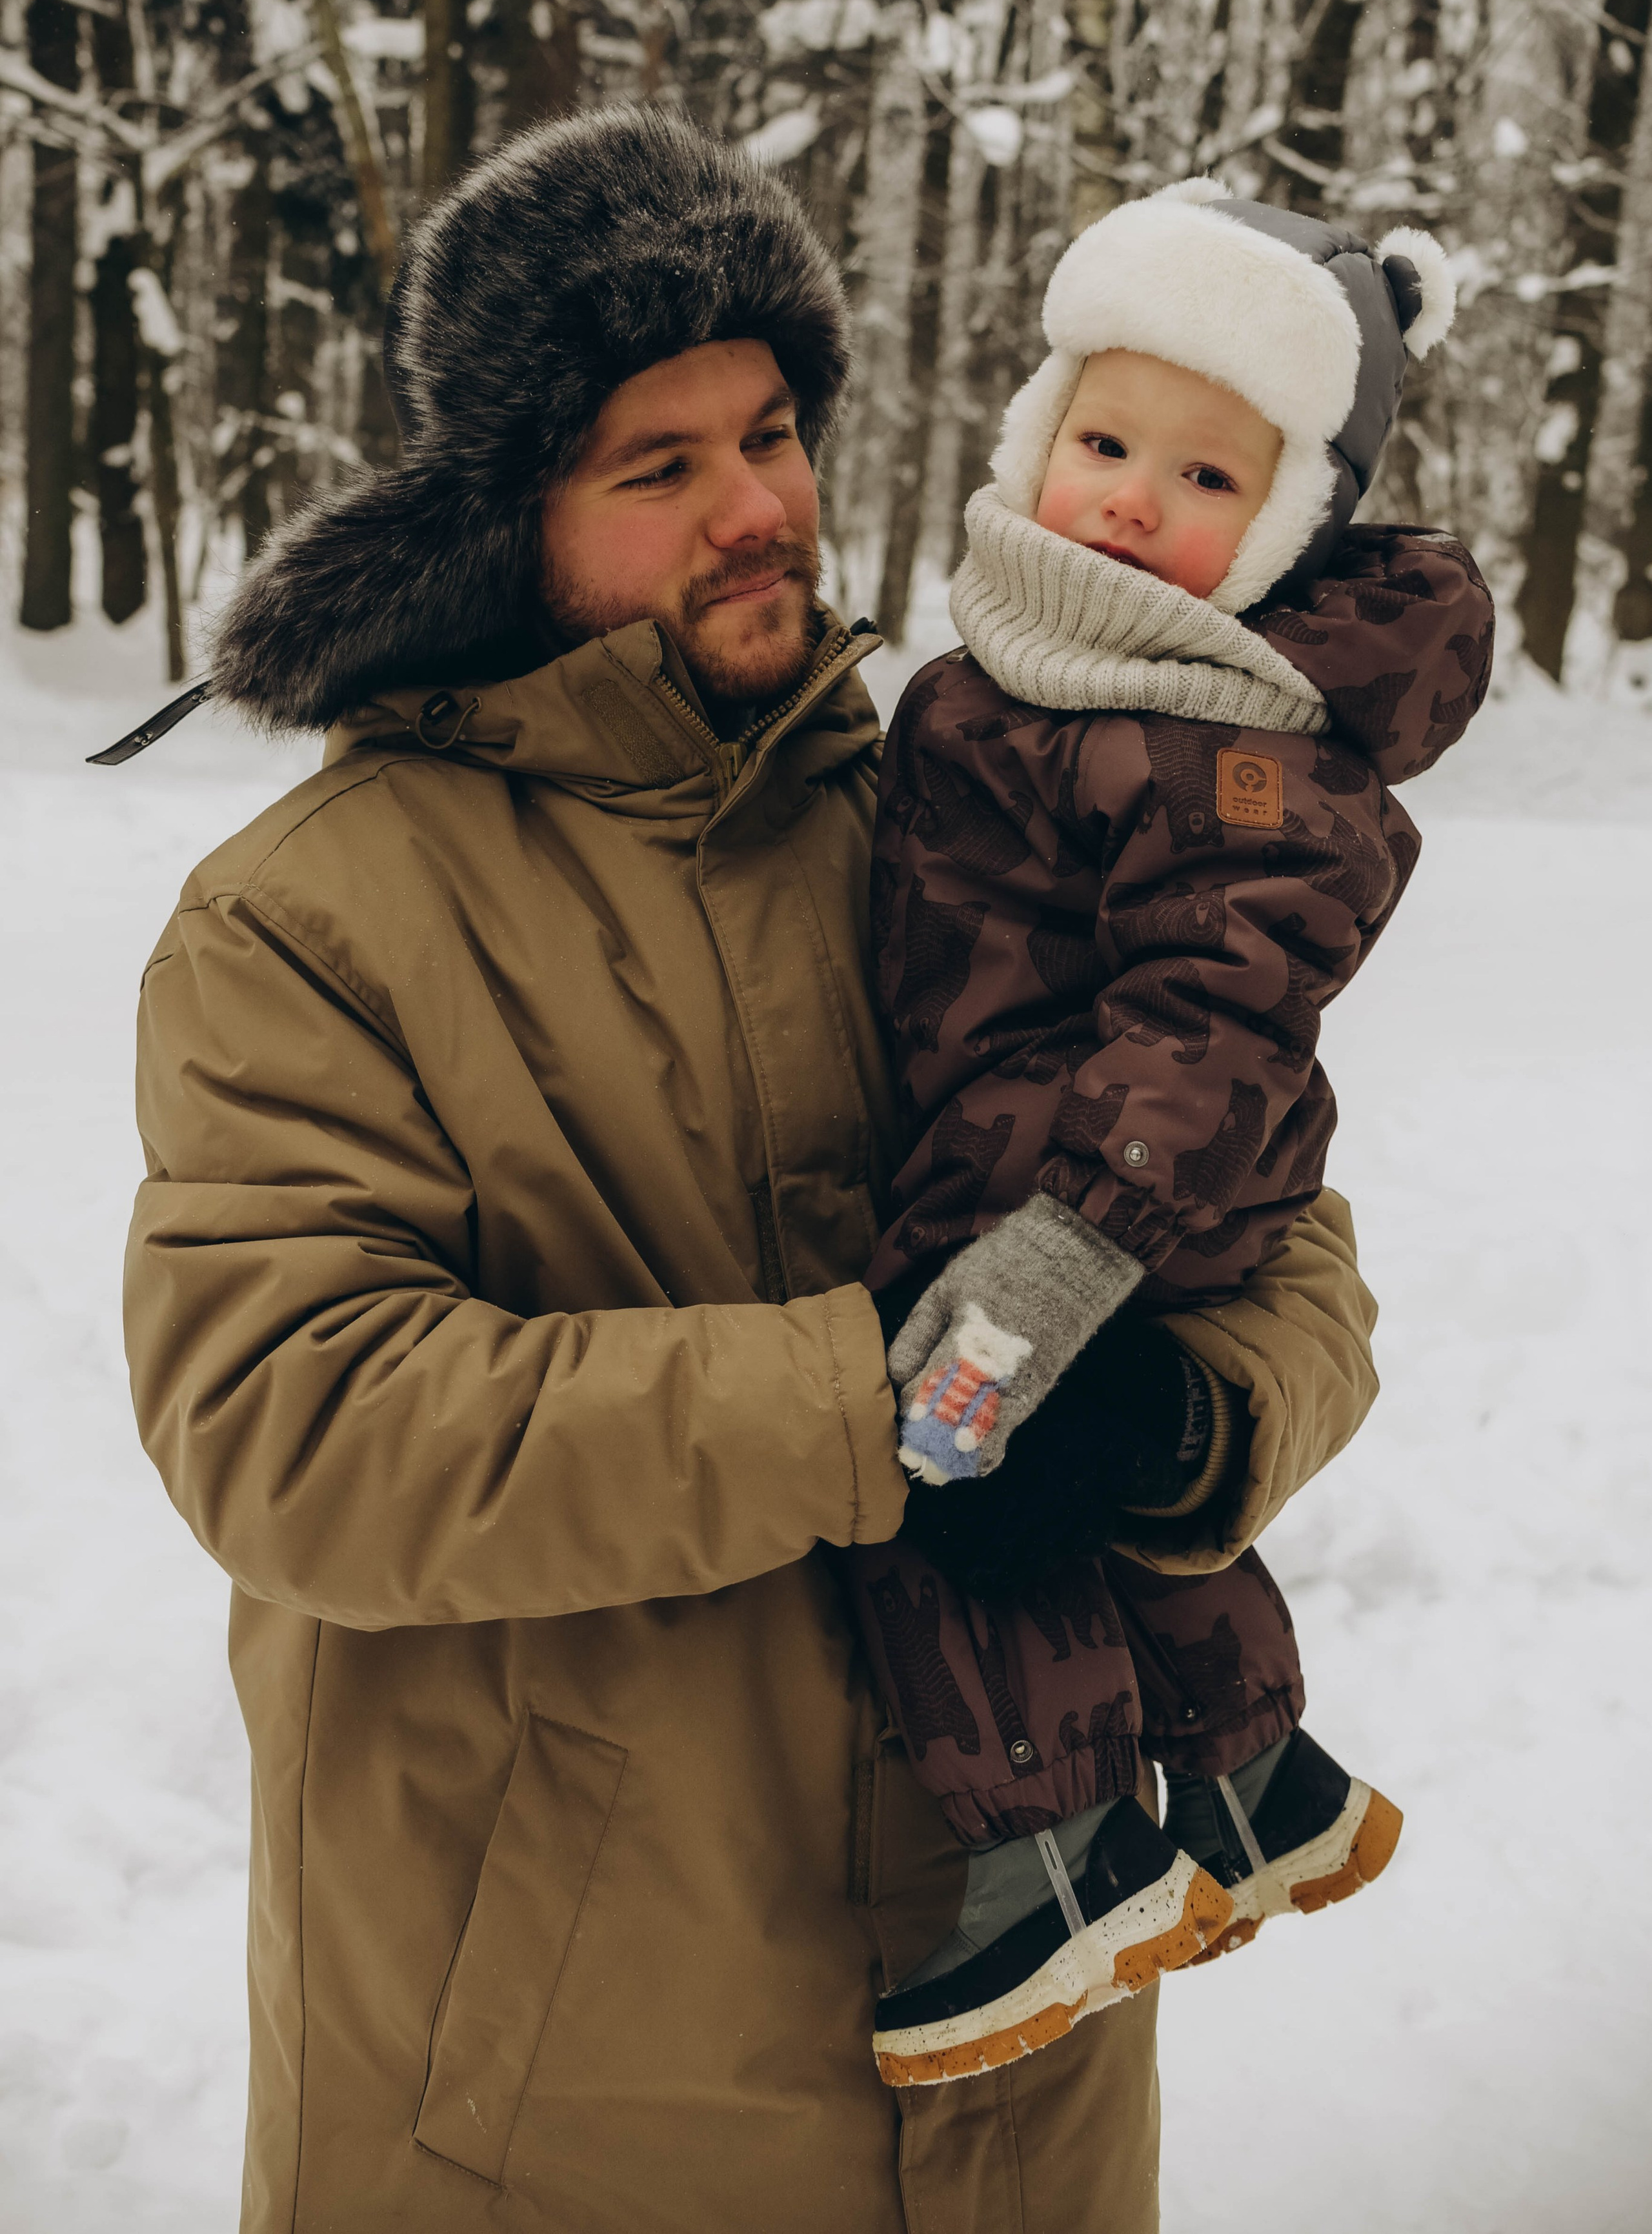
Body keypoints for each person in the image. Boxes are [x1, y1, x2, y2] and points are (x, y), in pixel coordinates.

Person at [125, 110, 1384, 2234]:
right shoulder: (312, 920)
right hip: (573, 2101)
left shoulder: (945, 805)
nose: (754, 510)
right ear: (506, 514)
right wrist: (898, 1396)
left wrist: (1185, 1416)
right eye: (658, 466)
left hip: (1026, 2056)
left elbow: (1279, 1203)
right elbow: (296, 1426)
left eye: (775, 430)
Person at [844, 181, 1494, 2090]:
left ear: (1287, 523)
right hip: (1062, 1170)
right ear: (1038, 429)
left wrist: (1064, 1244)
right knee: (1092, 1497)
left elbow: (1219, 1010)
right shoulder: (1041, 659)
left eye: (1205, 478)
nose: (1130, 497)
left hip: (1089, 1192)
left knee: (929, 1475)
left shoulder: (1222, 722)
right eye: (1105, 439)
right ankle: (1253, 1779)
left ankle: (1051, 1847)